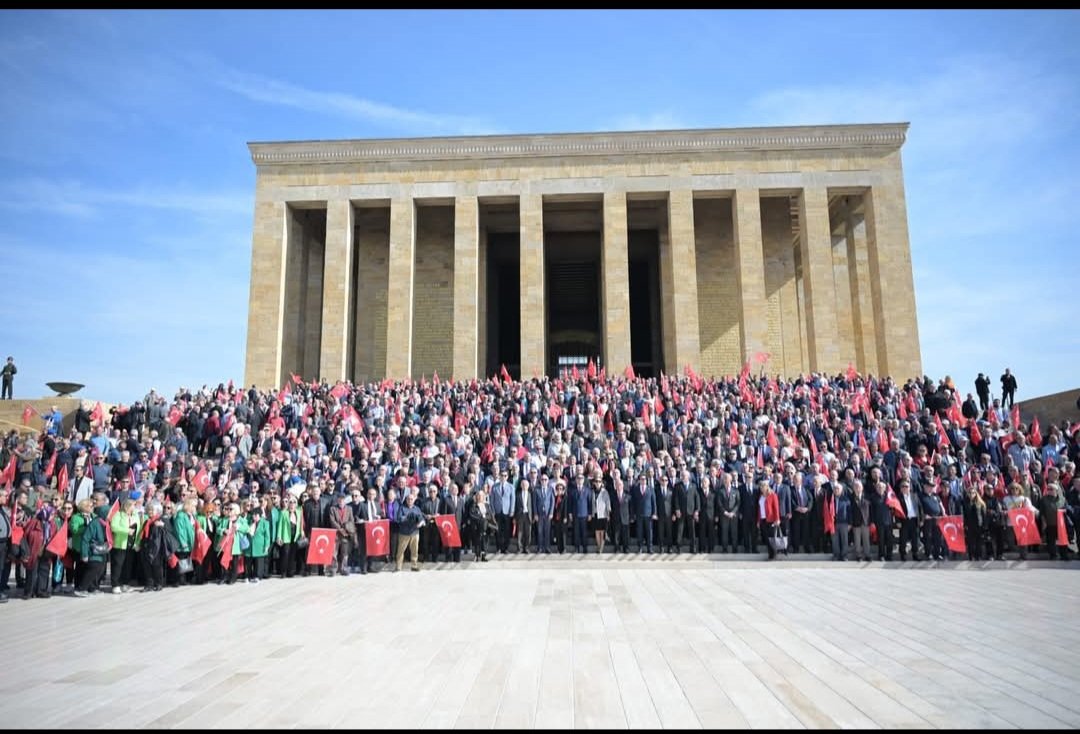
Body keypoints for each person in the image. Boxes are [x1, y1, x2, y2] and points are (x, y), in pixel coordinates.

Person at [394, 490, 424, 572]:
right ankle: (398, 567)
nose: (410, 500)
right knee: (400, 550)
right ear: (406, 500)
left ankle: (414, 565)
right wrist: (408, 517)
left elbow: (421, 519)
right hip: (404, 533)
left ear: (414, 500)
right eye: (408, 499)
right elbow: (399, 519)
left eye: (411, 499)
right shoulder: (402, 508)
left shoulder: (417, 508)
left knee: (415, 550)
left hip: (415, 532)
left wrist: (420, 523)